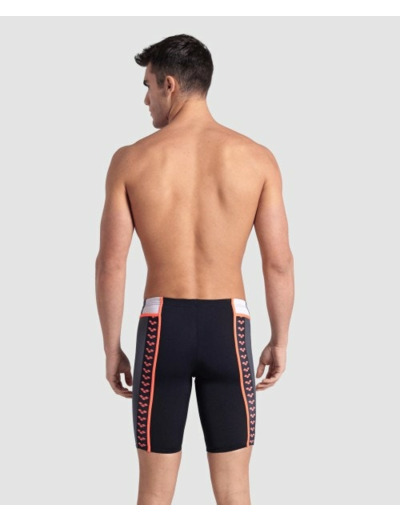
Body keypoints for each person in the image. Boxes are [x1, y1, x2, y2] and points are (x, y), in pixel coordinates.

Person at [95, 34, 294, 505]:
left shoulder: (131, 160)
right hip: (230, 326)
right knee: (235, 494)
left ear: (170, 85)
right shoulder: (257, 158)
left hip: (161, 328)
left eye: (148, 86)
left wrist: (112, 348)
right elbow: (278, 262)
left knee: (153, 496)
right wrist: (280, 339)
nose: (146, 99)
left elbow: (111, 263)